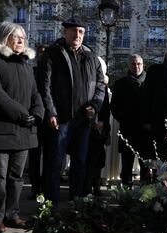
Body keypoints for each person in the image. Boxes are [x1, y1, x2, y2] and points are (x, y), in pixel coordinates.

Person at [0, 21, 44, 233]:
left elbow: (35, 93)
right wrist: (23, 115)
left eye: (22, 37)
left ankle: (12, 214)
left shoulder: (26, 64)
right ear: (3, 38)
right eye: (15, 36)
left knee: (16, 178)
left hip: (23, 130)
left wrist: (37, 114)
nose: (20, 40)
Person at [37, 16, 106, 204]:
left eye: (81, 31)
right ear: (64, 31)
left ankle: (77, 204)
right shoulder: (52, 54)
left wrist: (95, 105)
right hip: (61, 119)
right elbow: (45, 87)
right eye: (74, 30)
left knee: (80, 164)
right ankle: (51, 206)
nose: (78, 34)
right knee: (55, 164)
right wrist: (51, 112)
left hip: (83, 120)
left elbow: (100, 85)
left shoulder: (91, 56)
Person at [111, 54, 153, 187]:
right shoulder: (120, 84)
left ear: (143, 65)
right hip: (127, 130)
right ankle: (125, 195)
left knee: (145, 167)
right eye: (133, 64)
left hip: (146, 132)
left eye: (139, 64)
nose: (136, 67)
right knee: (126, 165)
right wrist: (124, 118)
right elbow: (114, 107)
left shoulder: (151, 83)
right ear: (129, 65)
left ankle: (145, 194)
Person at [84, 56, 111, 196]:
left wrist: (104, 124)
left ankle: (96, 186)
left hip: (100, 129)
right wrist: (92, 122)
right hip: (88, 127)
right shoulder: (87, 82)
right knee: (89, 160)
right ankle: (88, 187)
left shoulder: (103, 87)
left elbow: (106, 108)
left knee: (99, 159)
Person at [27, 44, 48, 200]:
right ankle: (35, 188)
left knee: (49, 156)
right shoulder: (30, 72)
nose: (43, 55)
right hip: (34, 119)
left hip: (50, 119)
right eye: (41, 52)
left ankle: (46, 188)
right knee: (34, 156)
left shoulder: (54, 73)